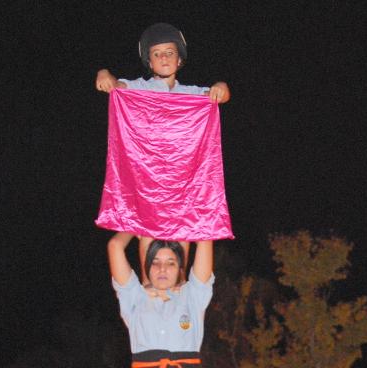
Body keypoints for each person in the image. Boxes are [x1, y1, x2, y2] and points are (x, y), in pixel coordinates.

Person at [96, 23, 231, 285]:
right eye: (157, 53)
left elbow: (220, 95)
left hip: (183, 186)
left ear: (180, 59)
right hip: (147, 185)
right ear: (149, 61)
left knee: (182, 242)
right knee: (149, 244)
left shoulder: (191, 94)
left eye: (169, 52)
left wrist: (221, 87)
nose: (164, 58)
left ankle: (179, 304)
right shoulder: (137, 88)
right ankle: (150, 301)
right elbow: (114, 84)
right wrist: (104, 74)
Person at [108, 231, 214, 367]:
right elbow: (115, 245)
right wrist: (134, 225)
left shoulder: (191, 296)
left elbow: (205, 240)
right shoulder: (136, 297)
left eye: (171, 264)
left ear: (180, 269)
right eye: (155, 263)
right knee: (150, 233)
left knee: (180, 233)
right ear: (147, 266)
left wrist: (188, 222)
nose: (162, 269)